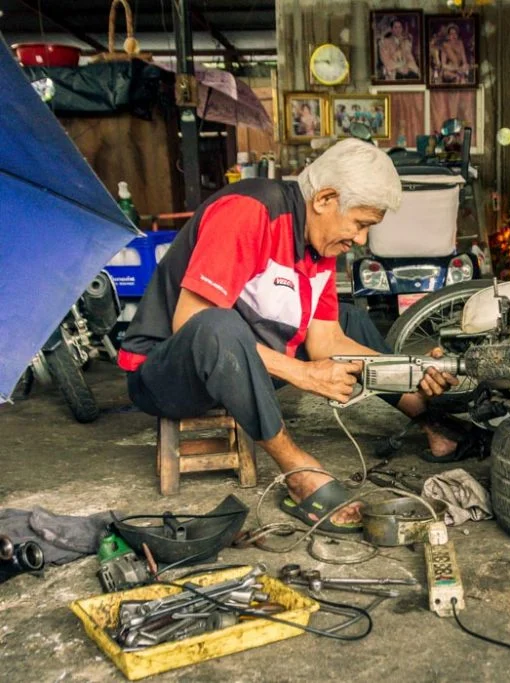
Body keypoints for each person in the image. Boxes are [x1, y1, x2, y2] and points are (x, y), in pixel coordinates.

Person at [117, 139, 459, 533]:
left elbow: (327, 340)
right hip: (166, 373)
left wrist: (413, 370)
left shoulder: (321, 245)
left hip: (239, 360)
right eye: (361, 223)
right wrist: (304, 374)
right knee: (217, 324)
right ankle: (297, 470)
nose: (362, 239)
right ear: (325, 199)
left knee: (350, 319)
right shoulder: (249, 212)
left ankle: (431, 420)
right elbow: (193, 321)